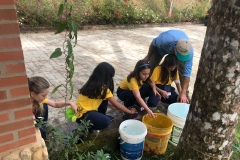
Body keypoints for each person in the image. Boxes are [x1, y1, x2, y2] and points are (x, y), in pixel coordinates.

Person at [75, 62, 137, 132]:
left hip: (77, 113)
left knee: (105, 100)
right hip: (83, 116)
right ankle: (88, 127)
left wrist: (111, 104)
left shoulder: (91, 83)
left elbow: (99, 99)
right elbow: (118, 105)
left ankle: (98, 117)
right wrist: (130, 112)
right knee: (106, 121)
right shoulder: (103, 89)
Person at [143, 29, 193, 103]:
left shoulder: (189, 53)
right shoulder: (164, 40)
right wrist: (148, 56)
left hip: (180, 49)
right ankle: (144, 90)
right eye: (180, 56)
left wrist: (183, 92)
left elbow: (187, 75)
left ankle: (184, 95)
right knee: (150, 67)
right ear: (175, 49)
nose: (181, 59)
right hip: (162, 49)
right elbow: (153, 43)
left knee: (182, 73)